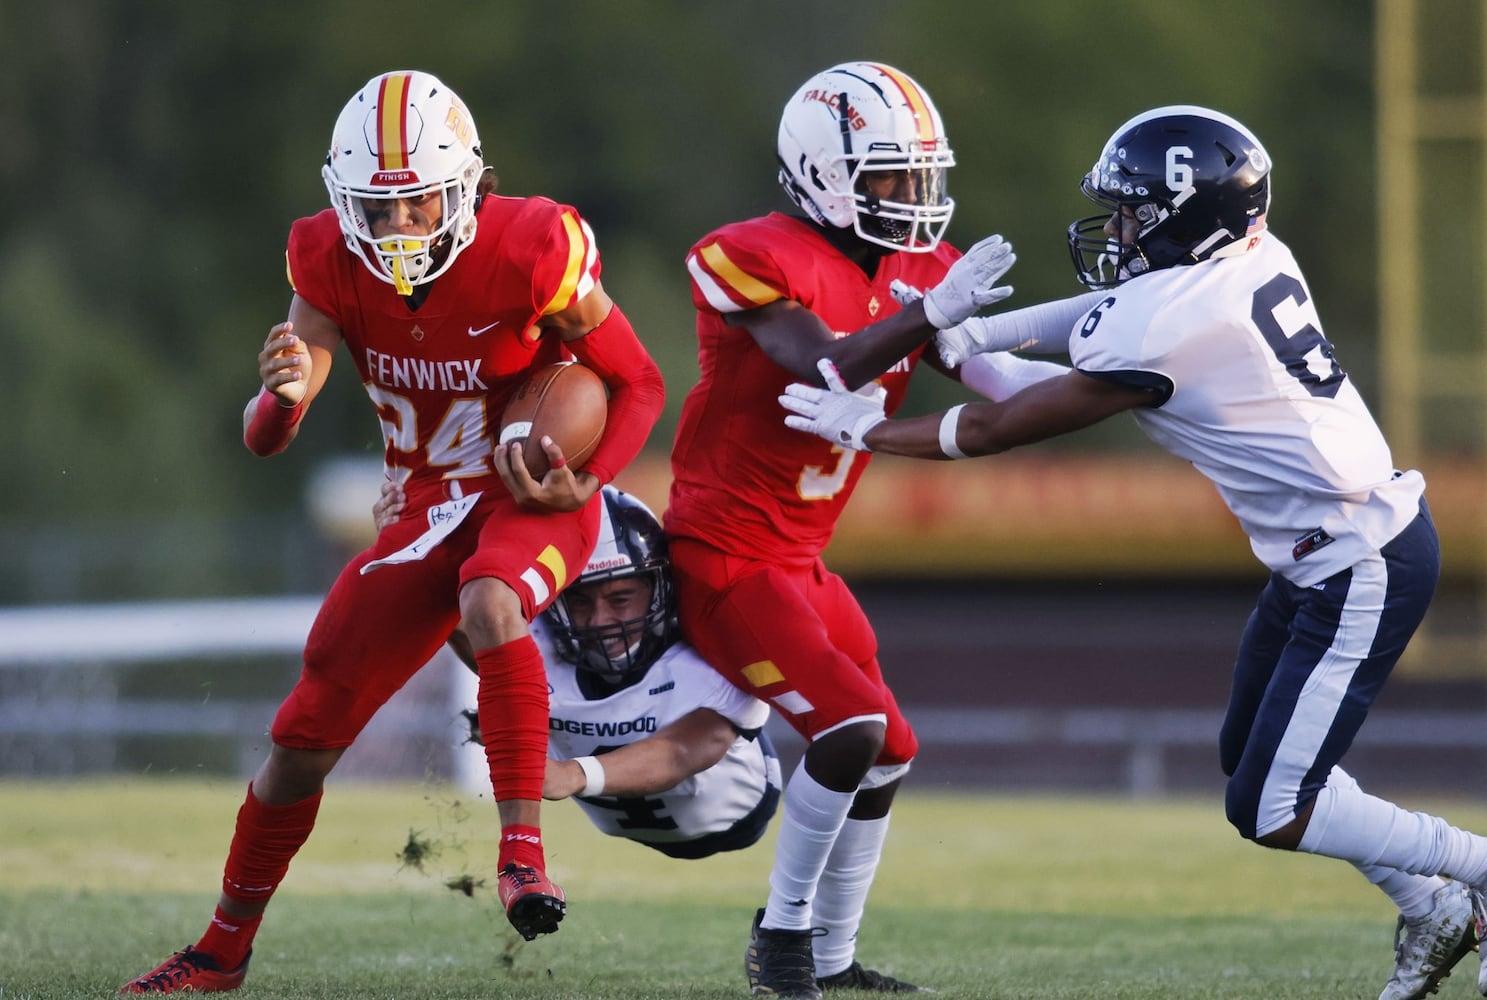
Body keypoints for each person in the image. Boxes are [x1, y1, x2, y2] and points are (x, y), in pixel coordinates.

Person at [780, 103, 1487, 1000]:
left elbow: (1002, 425)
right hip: (1324, 556)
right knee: (1253, 756)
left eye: (1132, 211)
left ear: (1185, 216)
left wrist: (870, 429)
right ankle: (1429, 906)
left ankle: (1476, 871)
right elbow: (1103, 315)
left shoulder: (1170, 323)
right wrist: (977, 332)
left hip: (1360, 561)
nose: (1115, 228)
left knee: (1270, 808)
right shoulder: (1242, 259)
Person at [119, 70, 665, 995]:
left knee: (491, 602)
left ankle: (522, 855)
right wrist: (280, 397)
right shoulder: (326, 259)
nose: (402, 225)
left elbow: (639, 382)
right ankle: (221, 950)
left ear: (465, 186)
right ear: (344, 204)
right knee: (300, 742)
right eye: (379, 207)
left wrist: (588, 478)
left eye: (420, 201)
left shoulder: (533, 246)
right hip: (421, 504)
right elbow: (264, 436)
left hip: (529, 491)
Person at [666, 61, 1016, 998]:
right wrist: (928, 314)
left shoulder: (918, 270)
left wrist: (1121, 374)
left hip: (800, 561)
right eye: (890, 179)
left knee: (890, 749)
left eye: (919, 178)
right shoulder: (745, 252)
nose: (913, 200)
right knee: (852, 727)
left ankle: (831, 953)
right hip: (722, 551)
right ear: (822, 172)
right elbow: (820, 368)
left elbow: (1000, 388)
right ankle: (780, 943)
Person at [375, 480, 783, 858]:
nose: (602, 620)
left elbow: (685, 750)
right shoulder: (536, 641)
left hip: (738, 811)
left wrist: (571, 774)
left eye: (621, 599)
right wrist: (404, 544)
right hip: (621, 811)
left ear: (659, 588)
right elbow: (443, 607)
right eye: (580, 602)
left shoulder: (707, 650)